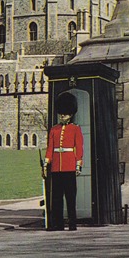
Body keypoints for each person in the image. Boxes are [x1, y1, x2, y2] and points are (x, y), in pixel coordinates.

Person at [44, 92, 83, 231]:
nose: (62, 116)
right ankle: (58, 224)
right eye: (61, 113)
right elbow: (50, 147)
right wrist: (46, 162)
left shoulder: (75, 129)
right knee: (56, 198)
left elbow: (79, 148)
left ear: (70, 114)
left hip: (69, 165)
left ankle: (72, 223)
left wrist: (78, 164)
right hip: (56, 167)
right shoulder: (54, 129)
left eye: (65, 114)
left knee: (70, 197)